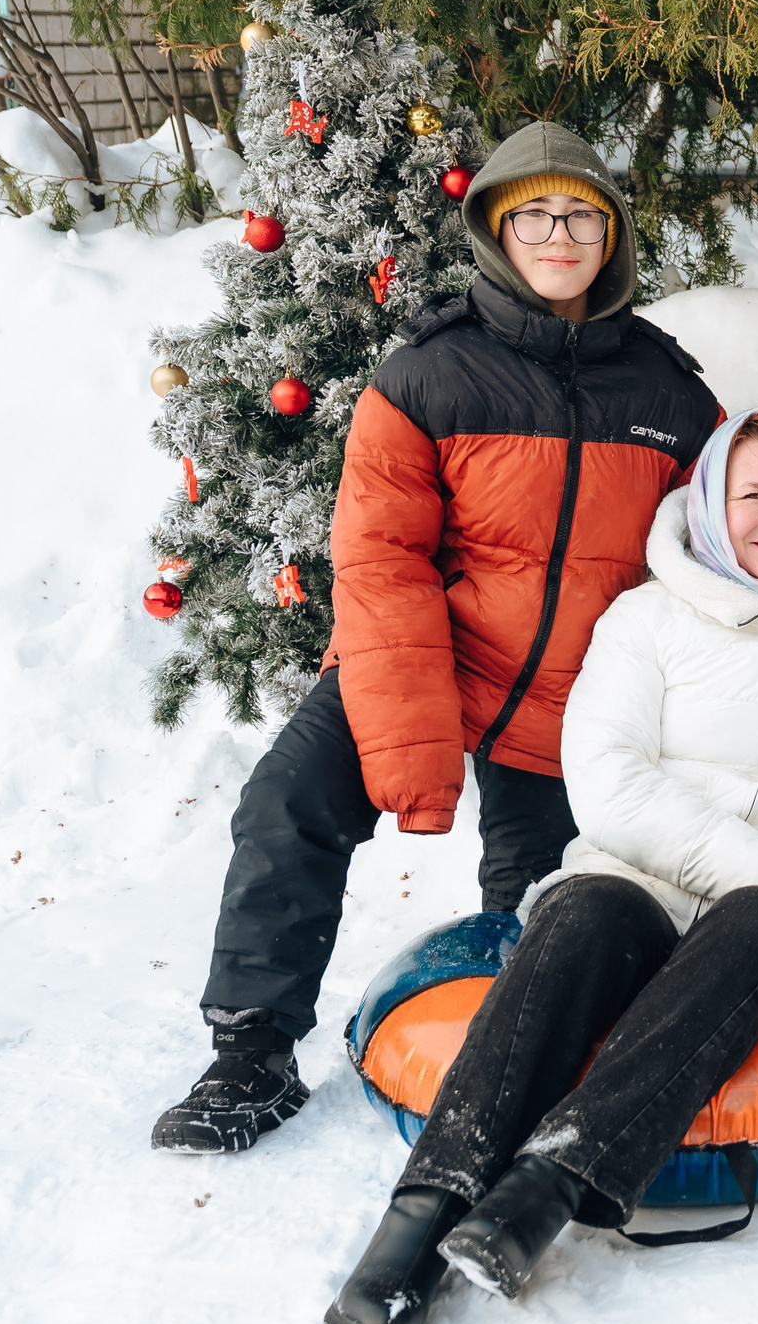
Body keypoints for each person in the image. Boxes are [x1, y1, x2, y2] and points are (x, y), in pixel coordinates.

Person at [325, 409, 758, 1324]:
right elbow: (610, 780)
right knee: (584, 908)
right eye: (752, 495)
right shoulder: (648, 618)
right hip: (648, 883)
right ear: (713, 503)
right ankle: (409, 1238)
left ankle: (541, 1196)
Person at [151, 124, 723, 1154]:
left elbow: (742, 514)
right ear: (498, 230)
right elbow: (378, 560)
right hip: (430, 648)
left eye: (582, 213)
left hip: (573, 685)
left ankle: (523, 1059)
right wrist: (412, 741)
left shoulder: (667, 391)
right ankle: (251, 1050)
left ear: (613, 233)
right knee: (288, 799)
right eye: (534, 214)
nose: (560, 233)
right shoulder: (425, 373)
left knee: (543, 903)